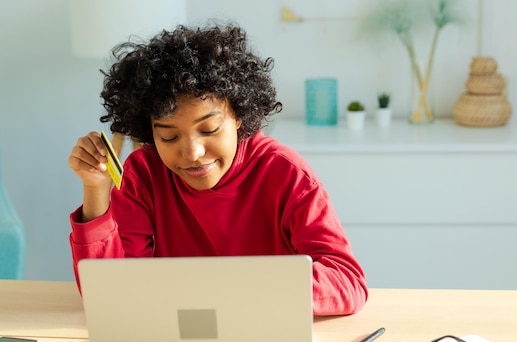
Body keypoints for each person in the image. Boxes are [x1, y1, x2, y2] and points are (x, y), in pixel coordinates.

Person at [67, 22, 367, 316]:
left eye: (209, 129)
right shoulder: (144, 172)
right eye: (169, 136)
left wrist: (241, 289)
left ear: (238, 115)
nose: (193, 154)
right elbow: (108, 292)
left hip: (264, 329)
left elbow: (347, 281)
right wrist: (95, 190)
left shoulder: (285, 172)